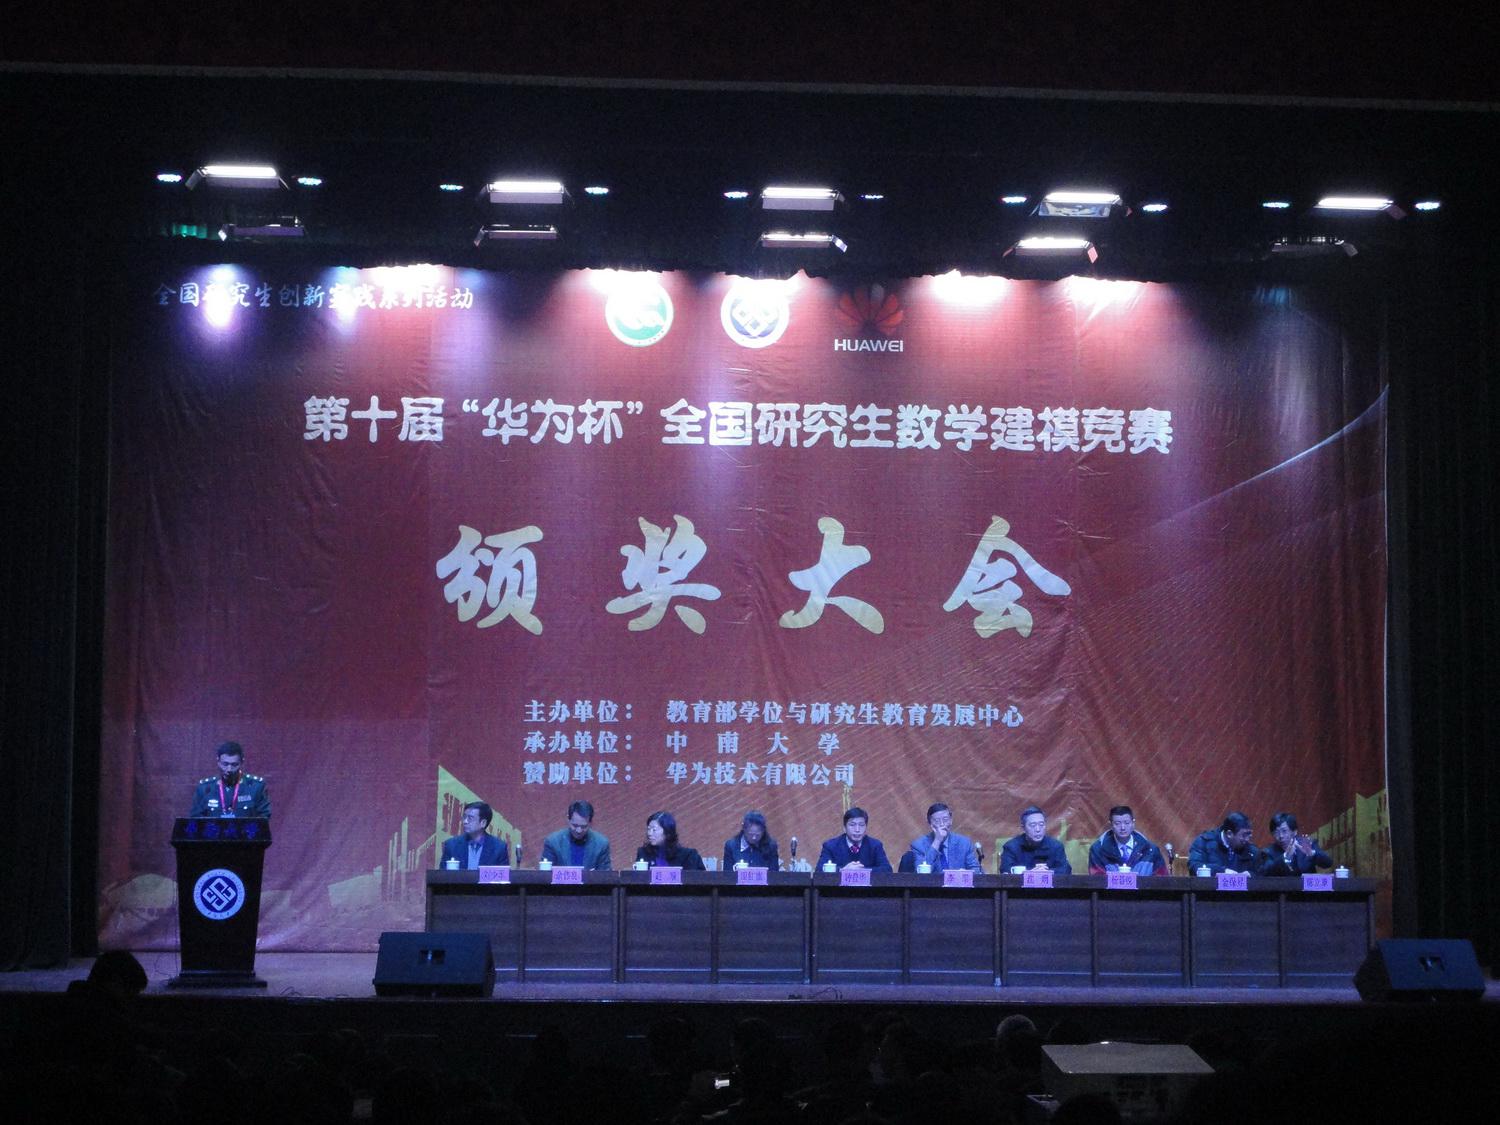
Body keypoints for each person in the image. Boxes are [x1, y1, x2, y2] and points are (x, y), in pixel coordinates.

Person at [189, 740, 270, 818]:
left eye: (234, 765)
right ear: (218, 761)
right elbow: (196, 819)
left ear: (242, 762)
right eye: (225, 764)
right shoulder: (205, 789)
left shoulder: (256, 787)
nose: (229, 769)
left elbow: (263, 819)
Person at [1087, 806, 1166, 875]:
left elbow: (1162, 880)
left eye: (1127, 823)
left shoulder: (1150, 850)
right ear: (1111, 825)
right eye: (1117, 823)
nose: (1123, 827)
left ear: (1133, 823)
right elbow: (1096, 880)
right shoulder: (1098, 850)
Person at [908, 802, 983, 872]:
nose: (942, 824)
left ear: (951, 820)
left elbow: (977, 871)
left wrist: (965, 874)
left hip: (958, 882)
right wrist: (937, 841)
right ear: (930, 824)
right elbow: (921, 873)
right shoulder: (918, 845)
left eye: (945, 819)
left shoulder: (964, 843)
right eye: (937, 821)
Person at [540, 799, 612, 869]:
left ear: (590, 823)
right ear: (568, 819)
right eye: (575, 825)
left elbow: (606, 875)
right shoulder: (553, 842)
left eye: (584, 826)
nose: (579, 830)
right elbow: (545, 875)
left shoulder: (601, 844)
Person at [817, 806, 892, 872]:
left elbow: (887, 869)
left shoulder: (875, 845)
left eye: (861, 825)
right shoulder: (831, 846)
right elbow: (819, 870)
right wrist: (843, 870)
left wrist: (862, 871)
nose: (857, 830)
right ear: (844, 828)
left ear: (866, 827)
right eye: (852, 825)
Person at [1000, 805, 1073, 873]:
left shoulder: (1056, 846)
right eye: (1033, 825)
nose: (1038, 829)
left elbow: (1066, 869)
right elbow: (1005, 870)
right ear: (1023, 828)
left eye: (1041, 824)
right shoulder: (1011, 847)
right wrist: (1030, 873)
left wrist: (1046, 872)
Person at [1257, 812, 1333, 876]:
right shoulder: (1268, 852)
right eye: (1276, 832)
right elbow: (1266, 873)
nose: (1281, 836)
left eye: (1284, 831)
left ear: (1294, 832)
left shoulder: (1307, 844)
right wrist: (1286, 857)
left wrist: (1312, 853)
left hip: (1307, 888)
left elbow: (1328, 863)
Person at [438, 800, 509, 869]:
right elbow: (442, 875)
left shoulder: (499, 848)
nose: (465, 821)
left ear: (483, 823)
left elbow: (504, 875)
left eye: (470, 818)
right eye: (464, 817)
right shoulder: (451, 845)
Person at [1188, 811, 1260, 874]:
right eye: (1244, 835)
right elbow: (1194, 866)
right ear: (1229, 834)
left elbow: (1261, 870)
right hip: (1211, 885)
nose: (1247, 839)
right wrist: (1221, 871)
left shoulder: (1250, 850)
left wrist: (1251, 875)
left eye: (1249, 835)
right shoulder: (1204, 842)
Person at [635, 810, 705, 869]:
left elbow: (700, 879)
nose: (649, 833)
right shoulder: (643, 853)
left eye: (654, 830)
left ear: (667, 831)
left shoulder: (689, 856)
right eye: (648, 829)